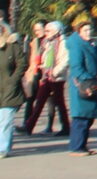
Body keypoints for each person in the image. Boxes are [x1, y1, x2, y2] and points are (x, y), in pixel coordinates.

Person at [24, 20, 69, 139]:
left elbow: (65, 60)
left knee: (59, 103)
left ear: (57, 31)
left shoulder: (63, 42)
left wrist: (55, 72)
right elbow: (45, 58)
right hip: (46, 76)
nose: (46, 32)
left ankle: (66, 127)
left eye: (49, 30)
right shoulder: (47, 42)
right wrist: (43, 67)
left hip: (57, 78)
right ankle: (29, 126)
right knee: (40, 101)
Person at [66, 19, 97, 156]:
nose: (89, 32)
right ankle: (76, 147)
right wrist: (90, 79)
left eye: (90, 30)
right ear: (78, 32)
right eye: (85, 30)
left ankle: (82, 146)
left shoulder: (88, 44)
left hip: (91, 85)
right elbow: (76, 67)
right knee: (80, 118)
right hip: (83, 87)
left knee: (88, 118)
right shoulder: (77, 46)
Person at [0, 19, 26, 156]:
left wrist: (13, 80)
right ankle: (5, 144)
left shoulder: (12, 45)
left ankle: (2, 149)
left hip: (10, 89)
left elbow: (22, 63)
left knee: (6, 120)